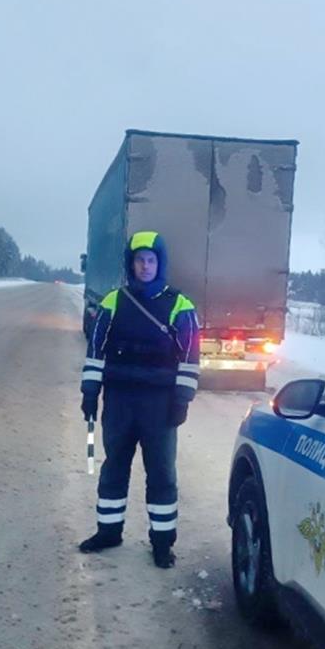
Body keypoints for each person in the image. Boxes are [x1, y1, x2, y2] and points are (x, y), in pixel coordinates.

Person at [78, 231, 201, 568]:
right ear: (131, 264)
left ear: (159, 264)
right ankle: (109, 531)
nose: (145, 266)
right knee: (114, 466)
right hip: (119, 401)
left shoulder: (180, 305)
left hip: (159, 406)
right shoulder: (113, 302)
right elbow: (95, 352)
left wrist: (182, 399)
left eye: (151, 260)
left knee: (161, 473)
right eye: (139, 259)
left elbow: (190, 357)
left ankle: (162, 543)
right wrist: (90, 392)